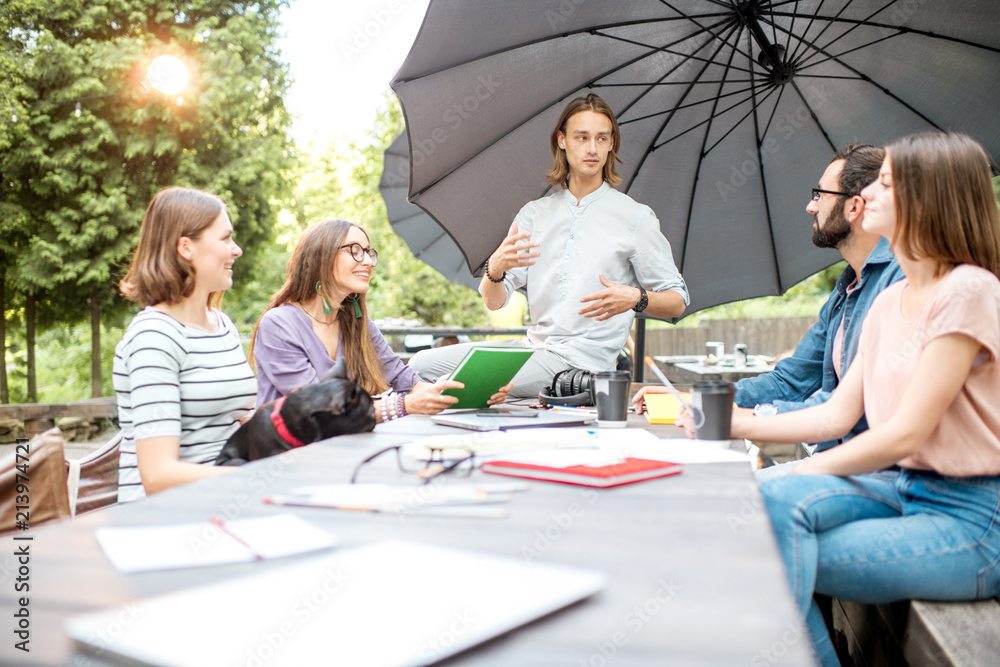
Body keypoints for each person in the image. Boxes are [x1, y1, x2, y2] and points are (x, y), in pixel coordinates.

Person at [685, 132, 1000, 666]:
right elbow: (835, 413)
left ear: (928, 198)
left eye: (886, 183)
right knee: (761, 517)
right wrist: (729, 423)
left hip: (972, 518)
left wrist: (790, 473)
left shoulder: (967, 292)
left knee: (766, 537)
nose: (868, 194)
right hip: (902, 489)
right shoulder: (889, 300)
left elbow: (903, 434)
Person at [634, 143, 904, 461]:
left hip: (871, 472)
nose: (810, 206)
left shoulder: (898, 286)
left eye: (820, 195)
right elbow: (790, 380)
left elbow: (851, 414)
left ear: (854, 207)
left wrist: (739, 420)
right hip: (834, 461)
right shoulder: (845, 289)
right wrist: (696, 398)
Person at [408, 94, 689, 397]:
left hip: (581, 364)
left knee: (462, 382)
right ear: (562, 140)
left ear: (611, 144)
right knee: (420, 365)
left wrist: (635, 297)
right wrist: (496, 268)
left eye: (601, 138)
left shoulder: (636, 217)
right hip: (532, 348)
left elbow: (678, 300)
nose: (592, 148)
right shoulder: (534, 214)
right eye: (582, 137)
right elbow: (494, 301)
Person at [250, 219, 509, 421]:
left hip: (343, 451)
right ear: (317, 257)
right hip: (289, 458)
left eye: (368, 251)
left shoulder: (355, 321)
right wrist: (401, 406)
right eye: (354, 251)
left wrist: (466, 391)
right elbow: (317, 408)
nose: (367, 261)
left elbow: (404, 380)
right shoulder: (278, 325)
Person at [114, 188, 257, 502]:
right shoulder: (155, 336)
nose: (237, 250)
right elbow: (158, 476)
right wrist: (258, 479)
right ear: (186, 247)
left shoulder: (223, 326)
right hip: (166, 518)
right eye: (225, 239)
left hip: (226, 501)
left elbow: (247, 426)